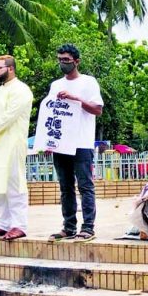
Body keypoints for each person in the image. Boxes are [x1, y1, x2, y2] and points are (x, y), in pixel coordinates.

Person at [46, 44, 104, 242]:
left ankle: (88, 227)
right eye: (60, 60)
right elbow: (51, 112)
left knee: (85, 185)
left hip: (81, 142)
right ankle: (68, 226)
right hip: (61, 143)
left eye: (66, 60)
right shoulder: (55, 85)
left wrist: (76, 99)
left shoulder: (89, 82)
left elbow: (97, 110)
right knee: (65, 187)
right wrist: (48, 140)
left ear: (76, 61)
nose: (62, 63)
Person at [0, 55, 34, 241]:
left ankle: (19, 225)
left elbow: (9, 117)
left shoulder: (22, 90)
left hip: (12, 143)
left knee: (13, 183)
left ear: (10, 68)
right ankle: (4, 223)